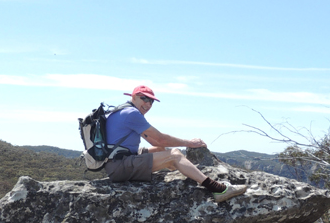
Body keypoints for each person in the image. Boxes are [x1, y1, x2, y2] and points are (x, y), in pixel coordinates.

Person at [104, 85, 247, 203]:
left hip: (117, 161)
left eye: (151, 101)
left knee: (161, 150)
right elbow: (161, 139)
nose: (148, 104)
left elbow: (155, 142)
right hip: (120, 166)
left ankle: (185, 173)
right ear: (133, 97)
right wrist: (189, 143)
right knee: (175, 155)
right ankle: (218, 189)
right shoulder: (131, 114)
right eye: (144, 99)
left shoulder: (120, 111)